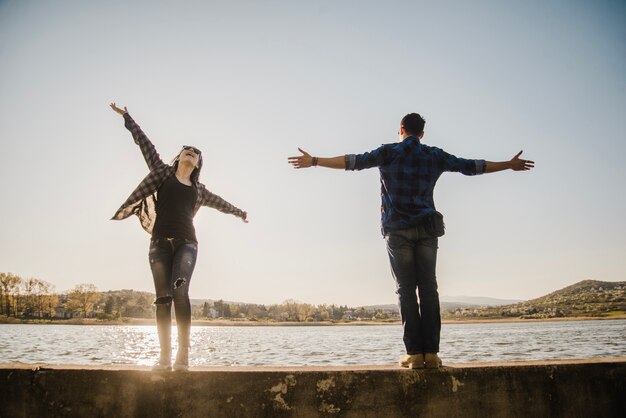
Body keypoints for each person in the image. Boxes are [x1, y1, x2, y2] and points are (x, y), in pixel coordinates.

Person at [288, 113, 534, 369]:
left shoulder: (389, 152)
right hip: (427, 230)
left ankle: (415, 355)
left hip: (397, 230)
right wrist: (508, 164)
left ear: (401, 129)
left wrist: (314, 161)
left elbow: (353, 162)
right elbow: (471, 166)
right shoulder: (434, 155)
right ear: (422, 134)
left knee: (406, 290)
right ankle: (432, 354)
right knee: (429, 289)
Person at [110, 103, 248, 371]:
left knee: (179, 290)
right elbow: (145, 144)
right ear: (180, 156)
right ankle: (164, 357)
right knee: (162, 297)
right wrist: (128, 118)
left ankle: (182, 356)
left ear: (198, 164)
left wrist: (239, 212)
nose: (192, 152)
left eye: (196, 153)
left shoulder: (199, 190)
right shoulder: (162, 174)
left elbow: (222, 203)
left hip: (187, 244)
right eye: (188, 150)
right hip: (159, 244)